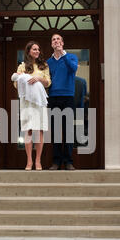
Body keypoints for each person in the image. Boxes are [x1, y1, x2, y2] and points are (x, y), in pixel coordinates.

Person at [12, 41, 51, 171]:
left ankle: (38, 161)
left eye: (38, 49)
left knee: (39, 130)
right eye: (34, 49)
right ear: (28, 51)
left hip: (39, 101)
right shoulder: (22, 66)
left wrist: (38, 79)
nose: (37, 51)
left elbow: (48, 83)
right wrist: (24, 79)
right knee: (28, 129)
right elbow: (16, 84)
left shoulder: (43, 66)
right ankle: (29, 161)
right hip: (27, 102)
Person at [47, 33, 78, 170]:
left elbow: (73, 69)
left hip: (68, 97)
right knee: (56, 131)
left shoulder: (71, 57)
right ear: (51, 44)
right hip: (53, 98)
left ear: (62, 42)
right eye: (53, 40)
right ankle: (56, 161)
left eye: (58, 39)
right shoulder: (48, 62)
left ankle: (68, 161)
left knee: (69, 130)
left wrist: (62, 54)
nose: (56, 41)